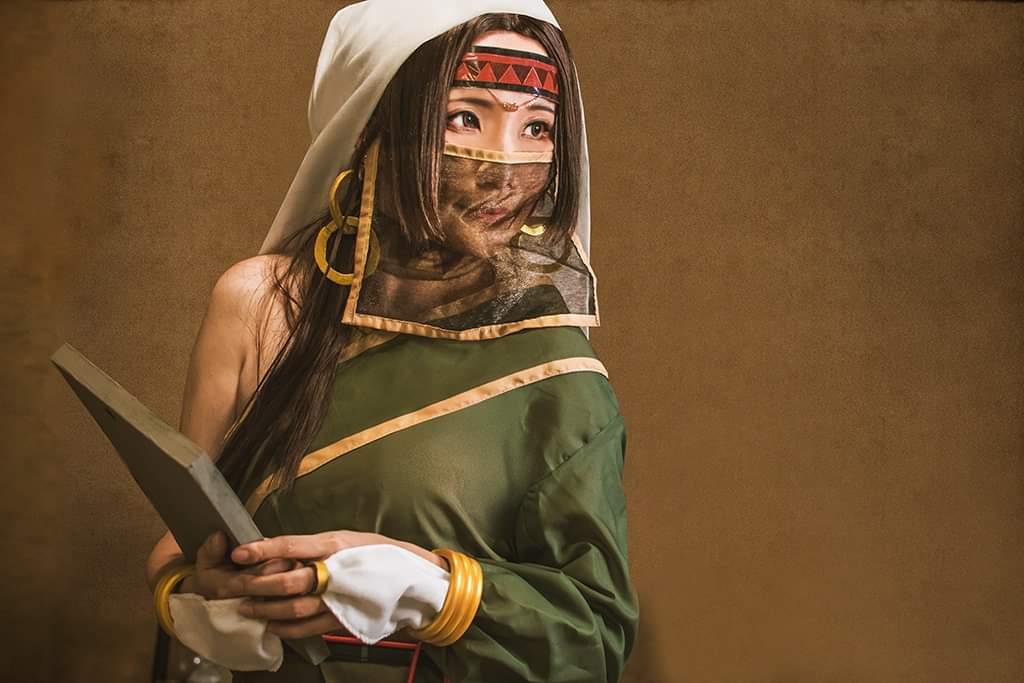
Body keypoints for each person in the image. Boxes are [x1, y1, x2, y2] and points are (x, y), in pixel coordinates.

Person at [145, 1, 638, 681]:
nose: (503, 169)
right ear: (373, 125)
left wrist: (433, 587)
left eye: (537, 127)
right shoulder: (260, 304)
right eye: (465, 118)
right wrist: (195, 597)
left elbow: (593, 635)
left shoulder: (554, 367)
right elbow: (180, 542)